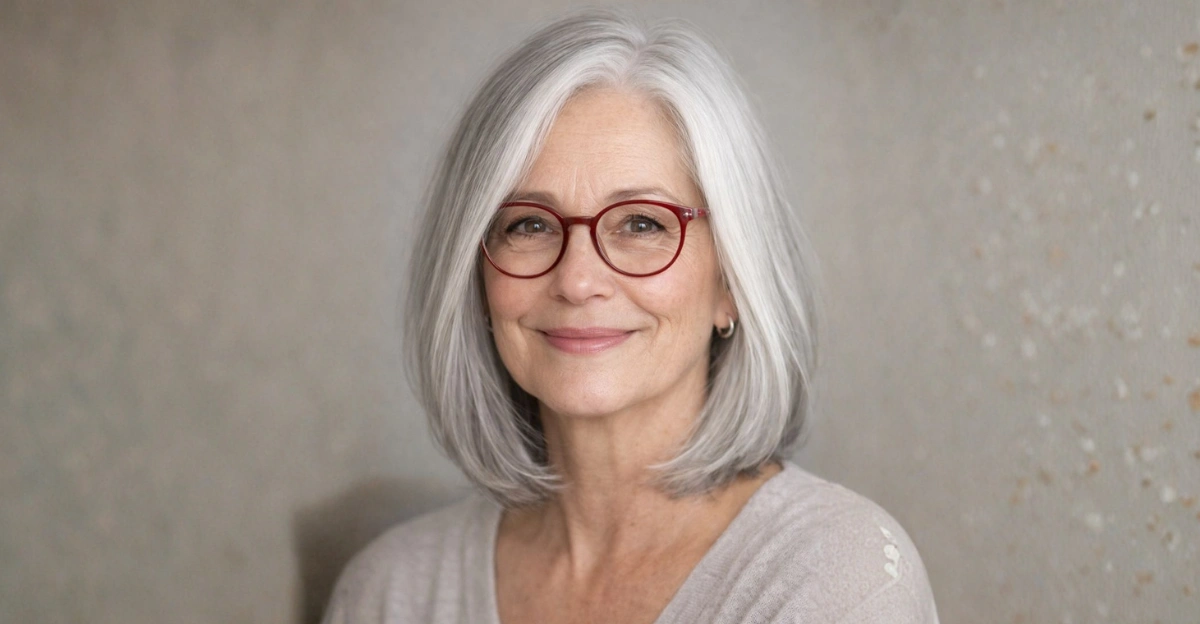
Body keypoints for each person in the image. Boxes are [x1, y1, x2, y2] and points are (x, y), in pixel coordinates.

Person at [323, 10, 939, 624]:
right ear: (476, 277)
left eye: (642, 223)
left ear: (731, 279)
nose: (578, 280)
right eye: (529, 225)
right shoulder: (388, 591)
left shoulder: (838, 580)